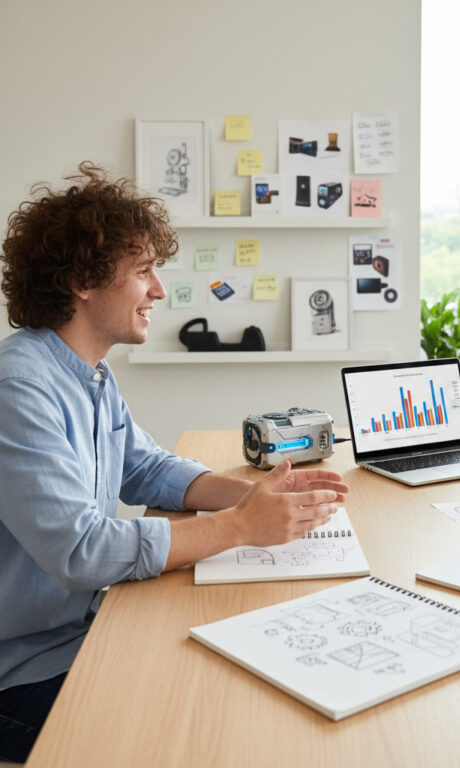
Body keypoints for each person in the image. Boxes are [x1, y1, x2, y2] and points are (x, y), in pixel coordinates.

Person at [0, 163, 350, 762]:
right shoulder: (19, 389)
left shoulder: (89, 375)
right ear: (84, 280)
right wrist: (239, 529)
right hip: (23, 671)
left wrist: (259, 500)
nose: (159, 290)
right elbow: (82, 551)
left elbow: (147, 469)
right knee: (200, 732)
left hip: (85, 629)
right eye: (143, 271)